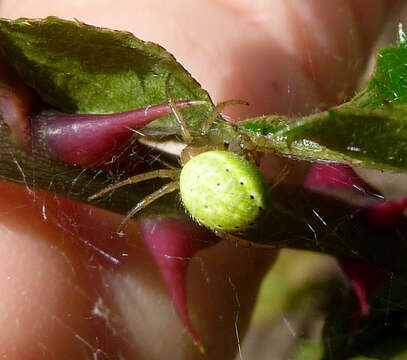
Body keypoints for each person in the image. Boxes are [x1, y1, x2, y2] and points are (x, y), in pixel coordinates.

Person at [0, 1, 403, 359]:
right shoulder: (206, 157)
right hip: (234, 196)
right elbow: (212, 126)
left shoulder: (184, 173)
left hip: (231, 201)